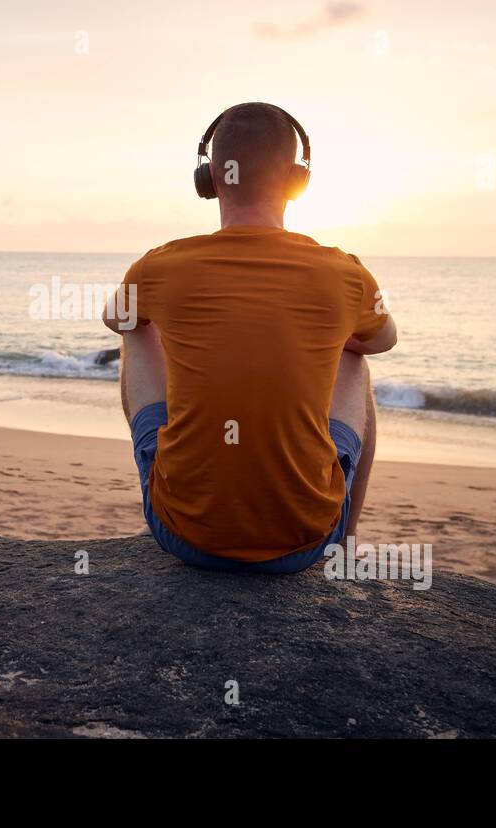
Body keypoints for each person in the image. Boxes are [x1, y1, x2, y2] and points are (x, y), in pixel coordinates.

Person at [103, 102, 397, 573]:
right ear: (297, 181)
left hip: (181, 535)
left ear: (211, 179)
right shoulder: (346, 272)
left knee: (137, 329)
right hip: (305, 543)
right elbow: (383, 339)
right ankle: (347, 540)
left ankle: (177, 486)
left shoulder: (158, 266)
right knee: (354, 360)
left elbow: (114, 319)